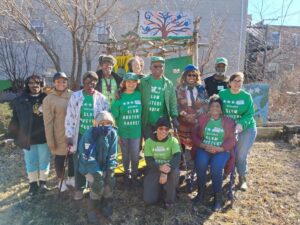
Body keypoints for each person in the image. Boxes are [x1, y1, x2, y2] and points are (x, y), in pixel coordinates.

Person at [65, 71, 110, 200]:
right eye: (88, 81)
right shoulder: (76, 96)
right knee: (79, 160)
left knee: (94, 160)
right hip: (80, 134)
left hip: (95, 136)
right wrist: (69, 136)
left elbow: (107, 115)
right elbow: (70, 117)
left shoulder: (101, 98)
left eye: (94, 81)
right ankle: (79, 188)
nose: (91, 84)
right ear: (83, 82)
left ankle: (94, 185)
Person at [192, 95, 236, 211]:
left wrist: (220, 148)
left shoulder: (228, 121)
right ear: (209, 108)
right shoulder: (202, 119)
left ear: (221, 108)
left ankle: (218, 198)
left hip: (221, 150)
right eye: (212, 106)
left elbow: (232, 139)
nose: (215, 108)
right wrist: (202, 145)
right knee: (200, 165)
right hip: (204, 148)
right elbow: (194, 135)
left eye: (217, 106)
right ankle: (200, 193)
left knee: (216, 169)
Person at [8, 75, 51, 196]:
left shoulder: (47, 98)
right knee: (30, 161)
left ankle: (43, 183)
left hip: (44, 136)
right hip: (28, 137)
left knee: (44, 160)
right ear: (27, 85)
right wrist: (12, 135)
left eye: (37, 82)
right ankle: (33, 185)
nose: (35, 85)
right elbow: (15, 119)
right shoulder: (20, 100)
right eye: (31, 83)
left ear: (41, 84)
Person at [219, 72, 257, 191]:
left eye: (240, 81)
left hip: (246, 128)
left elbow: (250, 113)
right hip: (228, 129)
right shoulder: (222, 94)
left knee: (240, 155)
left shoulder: (246, 96)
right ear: (229, 83)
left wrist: (241, 124)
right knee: (227, 152)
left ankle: (242, 178)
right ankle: (228, 172)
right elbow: (216, 108)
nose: (237, 83)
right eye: (235, 80)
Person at [78, 111, 118, 222]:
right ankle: (91, 209)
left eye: (108, 123)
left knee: (109, 183)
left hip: (104, 166)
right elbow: (87, 157)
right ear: (96, 123)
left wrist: (110, 171)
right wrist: (97, 174)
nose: (105, 125)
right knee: (97, 186)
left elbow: (112, 155)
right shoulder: (89, 134)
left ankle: (106, 203)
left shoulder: (113, 134)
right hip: (88, 167)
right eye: (102, 123)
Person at [43, 72, 74, 192]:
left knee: (72, 157)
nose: (61, 84)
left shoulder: (73, 95)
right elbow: (48, 122)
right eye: (58, 81)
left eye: (64, 81)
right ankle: (61, 180)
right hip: (58, 134)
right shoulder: (49, 99)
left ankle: (71, 178)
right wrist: (50, 140)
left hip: (72, 133)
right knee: (60, 158)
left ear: (67, 83)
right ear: (54, 83)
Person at [176, 64, 208, 174]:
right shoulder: (179, 88)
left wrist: (195, 115)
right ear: (185, 76)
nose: (192, 77)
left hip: (197, 119)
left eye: (194, 75)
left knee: (197, 141)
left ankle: (197, 164)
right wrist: (185, 114)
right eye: (189, 75)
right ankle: (182, 163)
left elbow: (205, 104)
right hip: (183, 118)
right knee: (180, 143)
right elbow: (175, 104)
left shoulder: (201, 89)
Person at [111, 72, 142, 187]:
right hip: (123, 131)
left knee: (135, 154)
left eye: (134, 81)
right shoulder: (119, 97)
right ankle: (127, 175)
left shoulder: (139, 94)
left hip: (136, 132)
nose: (131, 84)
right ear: (124, 83)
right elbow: (114, 117)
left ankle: (134, 175)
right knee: (125, 155)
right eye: (128, 81)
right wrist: (117, 134)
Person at [143, 117, 181, 208]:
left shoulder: (173, 140)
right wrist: (160, 168)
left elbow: (177, 157)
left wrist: (164, 171)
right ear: (156, 128)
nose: (163, 131)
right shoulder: (148, 142)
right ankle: (160, 188)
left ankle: (169, 199)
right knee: (148, 200)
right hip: (155, 168)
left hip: (169, 169)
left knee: (175, 172)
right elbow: (149, 161)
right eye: (161, 128)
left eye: (166, 129)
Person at [139, 56, 179, 139]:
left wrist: (174, 117)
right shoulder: (143, 81)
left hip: (162, 123)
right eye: (155, 66)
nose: (158, 68)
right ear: (150, 67)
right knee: (150, 145)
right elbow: (132, 91)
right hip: (147, 121)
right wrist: (120, 90)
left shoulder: (168, 83)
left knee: (161, 147)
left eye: (161, 66)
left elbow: (173, 102)